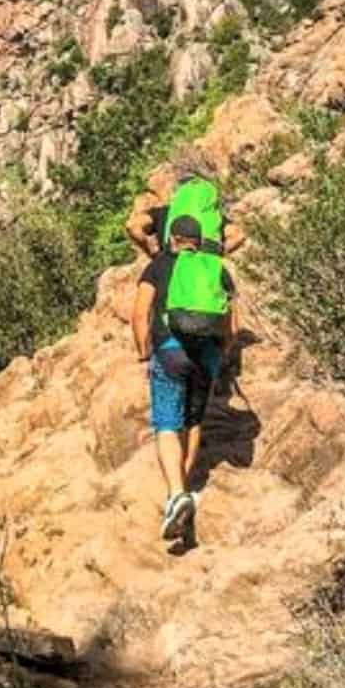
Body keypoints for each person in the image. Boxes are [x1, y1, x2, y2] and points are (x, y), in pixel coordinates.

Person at [131, 212, 235, 542]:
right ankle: (185, 488)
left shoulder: (159, 265)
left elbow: (139, 313)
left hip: (171, 350)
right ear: (199, 240)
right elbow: (232, 325)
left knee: (166, 423)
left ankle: (177, 494)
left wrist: (144, 351)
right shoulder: (215, 268)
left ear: (173, 239)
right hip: (208, 352)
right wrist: (220, 356)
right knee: (193, 419)